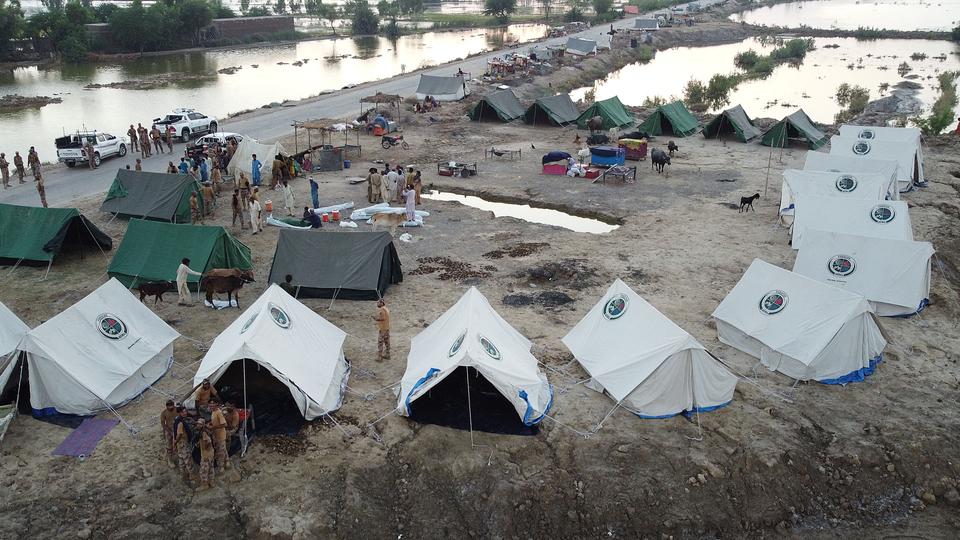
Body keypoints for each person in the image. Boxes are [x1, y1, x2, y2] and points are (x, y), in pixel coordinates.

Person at [173, 406, 194, 482]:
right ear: (179, 413)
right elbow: (179, 434)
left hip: (179, 443)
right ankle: (191, 474)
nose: (185, 413)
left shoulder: (176, 420)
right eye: (183, 412)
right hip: (183, 443)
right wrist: (175, 441)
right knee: (187, 458)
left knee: (181, 458)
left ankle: (182, 474)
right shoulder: (180, 423)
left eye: (185, 411)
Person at [208, 400, 230, 470]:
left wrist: (213, 427)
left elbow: (224, 424)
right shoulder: (213, 411)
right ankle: (227, 462)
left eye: (213, 404)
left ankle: (221, 467)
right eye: (210, 404)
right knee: (223, 449)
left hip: (220, 435)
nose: (211, 406)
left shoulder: (219, 413)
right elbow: (215, 421)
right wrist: (211, 423)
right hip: (216, 434)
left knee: (220, 452)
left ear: (216, 404)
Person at [196, 419, 214, 491]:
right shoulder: (205, 431)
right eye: (198, 424)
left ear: (203, 425)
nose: (198, 425)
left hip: (206, 454)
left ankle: (204, 485)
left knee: (203, 470)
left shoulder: (204, 433)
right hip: (211, 453)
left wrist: (205, 450)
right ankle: (212, 482)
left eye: (200, 424)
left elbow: (209, 442)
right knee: (211, 468)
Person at [160, 399, 177, 465]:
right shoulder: (164, 413)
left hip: (177, 428)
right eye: (169, 406)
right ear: (166, 406)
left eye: (172, 405)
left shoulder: (177, 409)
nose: (171, 407)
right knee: (169, 446)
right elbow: (163, 424)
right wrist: (168, 431)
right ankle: (170, 459)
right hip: (169, 429)